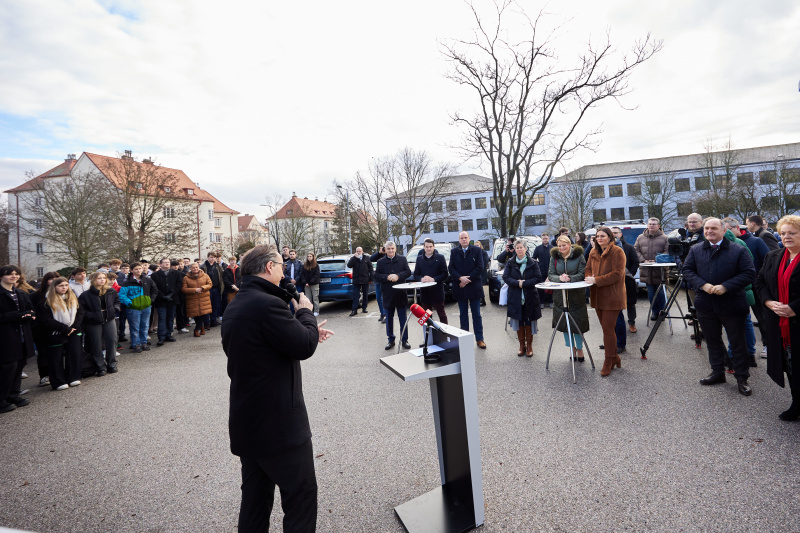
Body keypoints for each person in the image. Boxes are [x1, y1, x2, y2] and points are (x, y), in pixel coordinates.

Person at [221, 245, 333, 532]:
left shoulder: (237, 304)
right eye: (281, 266)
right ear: (269, 267)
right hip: (279, 425)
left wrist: (302, 329)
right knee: (300, 497)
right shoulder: (268, 304)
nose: (284, 272)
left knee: (255, 502)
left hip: (248, 420)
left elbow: (259, 346)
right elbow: (303, 346)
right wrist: (305, 314)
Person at [683, 218, 756, 396]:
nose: (709, 231)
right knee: (712, 340)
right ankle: (717, 372)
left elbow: (749, 273)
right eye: (707, 228)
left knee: (737, 342)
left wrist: (726, 286)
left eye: (714, 228)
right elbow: (687, 271)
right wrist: (702, 284)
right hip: (705, 303)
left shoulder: (738, 250)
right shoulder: (696, 250)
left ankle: (742, 378)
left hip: (732, 303)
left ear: (723, 231)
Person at [754, 215, 800, 420]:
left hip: (796, 318)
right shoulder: (773, 256)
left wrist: (794, 308)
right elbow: (759, 282)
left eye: (792, 233)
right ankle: (796, 403)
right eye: (783, 233)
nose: (786, 237)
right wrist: (768, 302)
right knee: (790, 365)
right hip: (780, 323)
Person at [585, 226, 627, 377]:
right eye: (597, 236)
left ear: (610, 237)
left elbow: (617, 274)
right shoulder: (593, 251)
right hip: (597, 296)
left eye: (602, 236)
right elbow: (587, 268)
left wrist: (596, 280)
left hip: (612, 296)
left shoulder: (617, 251)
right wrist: (590, 276)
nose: (599, 238)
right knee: (606, 329)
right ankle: (615, 357)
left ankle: (608, 360)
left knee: (608, 329)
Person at [37, 277, 84, 391]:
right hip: (55, 332)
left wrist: (74, 327)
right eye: (61, 286)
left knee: (74, 355)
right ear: (54, 287)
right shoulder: (46, 301)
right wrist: (64, 328)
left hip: (73, 331)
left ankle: (73, 377)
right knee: (55, 358)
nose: (64, 288)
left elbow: (80, 312)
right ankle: (58, 381)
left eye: (66, 285)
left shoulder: (72, 298)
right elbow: (46, 320)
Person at [0, 265, 35, 413]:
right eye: (9, 274)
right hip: (6, 337)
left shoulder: (20, 292)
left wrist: (30, 314)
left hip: (22, 335)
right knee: (8, 368)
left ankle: (13, 395)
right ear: (1, 276)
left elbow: (30, 308)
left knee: (19, 366)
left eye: (16, 274)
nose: (14, 276)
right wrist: (17, 315)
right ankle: (1, 400)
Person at [548, 236, 589, 361]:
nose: (561, 248)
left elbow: (582, 273)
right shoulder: (554, 257)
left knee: (577, 324)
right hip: (560, 296)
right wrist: (560, 278)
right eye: (559, 246)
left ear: (569, 244)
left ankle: (580, 349)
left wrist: (570, 278)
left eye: (564, 245)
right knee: (565, 324)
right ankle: (572, 348)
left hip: (576, 295)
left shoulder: (579, 256)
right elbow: (551, 274)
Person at [734, 219, 771, 358]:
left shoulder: (756, 241)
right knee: (742, 319)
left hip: (755, 286)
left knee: (762, 317)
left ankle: (768, 345)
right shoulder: (726, 245)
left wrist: (759, 280)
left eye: (728, 229)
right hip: (737, 287)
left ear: (736, 228)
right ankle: (746, 350)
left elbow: (768, 261)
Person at [503, 239, 542, 356]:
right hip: (515, 297)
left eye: (521, 247)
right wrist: (517, 283)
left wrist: (524, 283)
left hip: (530, 297)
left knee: (529, 320)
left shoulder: (533, 262)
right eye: (517, 248)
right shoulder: (510, 262)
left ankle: (529, 346)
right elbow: (506, 277)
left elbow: (538, 278)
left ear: (525, 248)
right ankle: (521, 345)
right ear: (515, 249)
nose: (519, 249)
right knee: (519, 320)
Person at [449, 231, 486, 349]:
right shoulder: (454, 252)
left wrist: (467, 279)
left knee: (476, 314)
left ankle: (479, 339)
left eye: (466, 237)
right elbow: (451, 268)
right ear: (459, 240)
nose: (464, 239)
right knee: (463, 314)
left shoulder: (477, 250)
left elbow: (480, 267)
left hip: (474, 286)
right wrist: (460, 278)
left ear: (469, 239)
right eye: (462, 238)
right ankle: (464, 339)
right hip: (460, 287)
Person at [79, 271, 120, 376]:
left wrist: (114, 310)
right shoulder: (85, 295)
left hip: (109, 319)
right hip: (93, 322)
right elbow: (82, 310)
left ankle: (111, 364)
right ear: (93, 280)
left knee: (112, 340)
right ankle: (100, 366)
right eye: (99, 278)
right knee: (96, 343)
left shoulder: (111, 291)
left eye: (104, 278)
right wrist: (92, 315)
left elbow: (117, 302)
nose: (102, 280)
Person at [374, 241, 412, 350]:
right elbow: (376, 275)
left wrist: (398, 276)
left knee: (403, 320)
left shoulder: (402, 259)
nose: (390, 250)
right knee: (389, 320)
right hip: (387, 294)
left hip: (401, 294)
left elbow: (408, 272)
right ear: (385, 250)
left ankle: (404, 340)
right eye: (388, 249)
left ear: (395, 249)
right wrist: (387, 277)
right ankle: (391, 340)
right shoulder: (380, 262)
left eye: (392, 248)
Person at [634, 217, 669, 322]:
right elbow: (636, 250)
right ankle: (654, 311)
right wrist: (643, 260)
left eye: (654, 224)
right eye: (650, 224)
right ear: (647, 225)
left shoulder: (665, 238)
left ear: (658, 226)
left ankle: (662, 312)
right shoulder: (640, 237)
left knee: (661, 293)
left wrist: (657, 260)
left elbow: (667, 251)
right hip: (646, 270)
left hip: (660, 270)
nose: (651, 226)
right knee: (651, 293)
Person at [119, 262, 158, 353]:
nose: (138, 270)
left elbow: (154, 290)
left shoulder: (147, 279)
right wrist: (130, 303)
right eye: (136, 269)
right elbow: (122, 295)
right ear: (131, 270)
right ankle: (135, 344)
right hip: (133, 308)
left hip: (146, 307)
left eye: (140, 268)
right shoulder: (127, 282)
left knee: (145, 326)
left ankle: (143, 342)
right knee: (135, 327)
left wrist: (150, 300)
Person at [30, 271, 59, 387]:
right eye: (51, 279)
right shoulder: (36, 295)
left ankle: (57, 374)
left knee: (57, 353)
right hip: (41, 328)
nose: (54, 280)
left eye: (56, 278)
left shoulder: (62, 293)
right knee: (43, 353)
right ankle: (44, 375)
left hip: (58, 327)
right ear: (46, 281)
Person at [612, 226, 640, 340]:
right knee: (616, 304)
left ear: (621, 234)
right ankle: (618, 325)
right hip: (613, 281)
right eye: (611, 233)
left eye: (616, 232)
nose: (614, 235)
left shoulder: (628, 247)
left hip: (627, 279)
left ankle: (632, 322)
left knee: (630, 303)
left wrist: (629, 275)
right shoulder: (607, 248)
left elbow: (635, 262)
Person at [413, 238, 448, 325]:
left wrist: (433, 279)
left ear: (434, 247)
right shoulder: (419, 259)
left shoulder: (440, 258)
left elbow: (445, 274)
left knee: (442, 314)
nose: (428, 248)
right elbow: (416, 275)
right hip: (425, 292)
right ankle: (428, 333)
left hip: (437, 291)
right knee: (426, 316)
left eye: (430, 246)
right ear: (424, 247)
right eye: (427, 247)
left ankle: (444, 331)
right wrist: (421, 279)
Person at [151, 258, 182, 346]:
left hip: (172, 299)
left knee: (170, 317)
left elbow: (179, 284)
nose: (167, 264)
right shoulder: (155, 275)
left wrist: (171, 294)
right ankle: (161, 337)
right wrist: (163, 296)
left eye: (168, 262)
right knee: (162, 318)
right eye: (165, 262)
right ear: (160, 264)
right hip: (161, 300)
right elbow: (154, 287)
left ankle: (169, 334)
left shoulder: (176, 273)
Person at [183, 262, 213, 337]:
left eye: (196, 267)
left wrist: (202, 288)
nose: (195, 269)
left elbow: (210, 284)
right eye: (193, 268)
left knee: (202, 314)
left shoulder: (205, 275)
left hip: (204, 298)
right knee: (196, 315)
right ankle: (201, 328)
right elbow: (184, 289)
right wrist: (195, 290)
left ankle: (197, 329)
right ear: (190, 269)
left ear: (198, 267)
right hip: (192, 299)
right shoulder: (186, 278)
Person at [347, 247, 373, 316]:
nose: (358, 252)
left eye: (359, 251)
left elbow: (371, 269)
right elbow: (349, 265)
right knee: (356, 295)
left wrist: (371, 278)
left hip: (365, 279)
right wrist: (354, 258)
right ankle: (354, 310)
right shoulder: (353, 258)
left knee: (365, 294)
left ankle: (364, 308)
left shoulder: (366, 258)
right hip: (356, 280)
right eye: (357, 251)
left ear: (362, 251)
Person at [201, 252, 224, 326]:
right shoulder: (203, 267)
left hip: (216, 288)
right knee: (207, 306)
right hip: (207, 289)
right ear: (207, 257)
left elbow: (221, 276)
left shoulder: (218, 266)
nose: (212, 259)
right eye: (211, 257)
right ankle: (206, 322)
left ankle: (213, 321)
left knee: (215, 305)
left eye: (214, 257)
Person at [532, 233, 554, 309]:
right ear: (542, 239)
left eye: (546, 238)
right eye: (543, 238)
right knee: (541, 288)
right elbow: (534, 259)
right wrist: (537, 267)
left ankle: (551, 302)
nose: (545, 240)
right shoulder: (538, 248)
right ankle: (542, 302)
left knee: (551, 287)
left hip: (551, 271)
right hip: (541, 271)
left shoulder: (552, 248)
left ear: (549, 239)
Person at [299, 252, 320, 316]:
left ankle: (316, 311)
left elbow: (317, 275)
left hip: (314, 284)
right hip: (306, 285)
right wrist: (305, 282)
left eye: (310, 256)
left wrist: (310, 282)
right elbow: (302, 275)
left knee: (315, 298)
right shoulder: (304, 265)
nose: (309, 258)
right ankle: (309, 311)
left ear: (313, 257)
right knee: (308, 298)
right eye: (308, 256)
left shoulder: (316, 265)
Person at [171, 260, 190, 333]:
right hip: (172, 295)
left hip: (181, 295)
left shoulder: (182, 274)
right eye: (174, 265)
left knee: (181, 312)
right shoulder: (169, 274)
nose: (176, 267)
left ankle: (181, 326)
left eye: (177, 265)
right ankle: (170, 328)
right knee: (171, 313)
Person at [370, 247, 387, 323]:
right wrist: (379, 253)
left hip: (386, 280)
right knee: (378, 298)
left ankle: (386, 314)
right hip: (378, 280)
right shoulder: (379, 255)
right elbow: (371, 259)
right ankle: (382, 313)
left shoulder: (389, 255)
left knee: (385, 298)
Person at [474, 240, 491, 306]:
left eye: (477, 245)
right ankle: (479, 300)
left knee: (480, 287)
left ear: (480, 246)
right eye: (475, 245)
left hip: (482, 273)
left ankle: (483, 301)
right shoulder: (473, 253)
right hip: (476, 273)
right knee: (477, 287)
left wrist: (478, 268)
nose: (477, 247)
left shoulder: (484, 253)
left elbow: (485, 262)